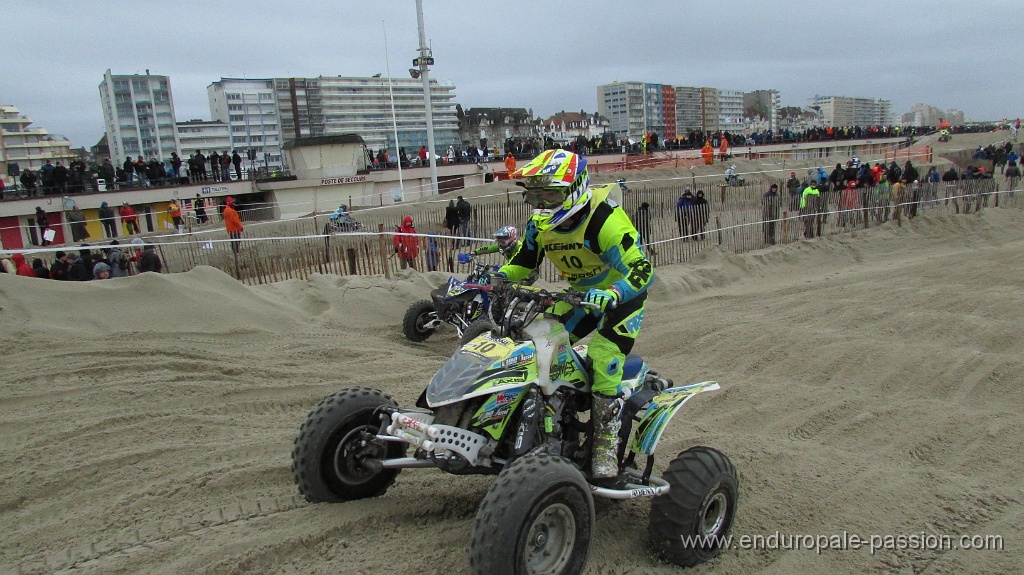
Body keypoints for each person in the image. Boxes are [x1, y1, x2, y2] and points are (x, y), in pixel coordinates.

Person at [496, 149, 654, 479]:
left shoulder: (604, 219)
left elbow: (642, 269)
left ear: (575, 188)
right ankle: (545, 425)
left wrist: (613, 293)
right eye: (535, 194)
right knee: (537, 342)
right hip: (579, 297)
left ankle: (605, 446)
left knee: (604, 356)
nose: (541, 202)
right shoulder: (539, 225)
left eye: (549, 193)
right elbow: (524, 265)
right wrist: (497, 278)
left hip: (620, 298)